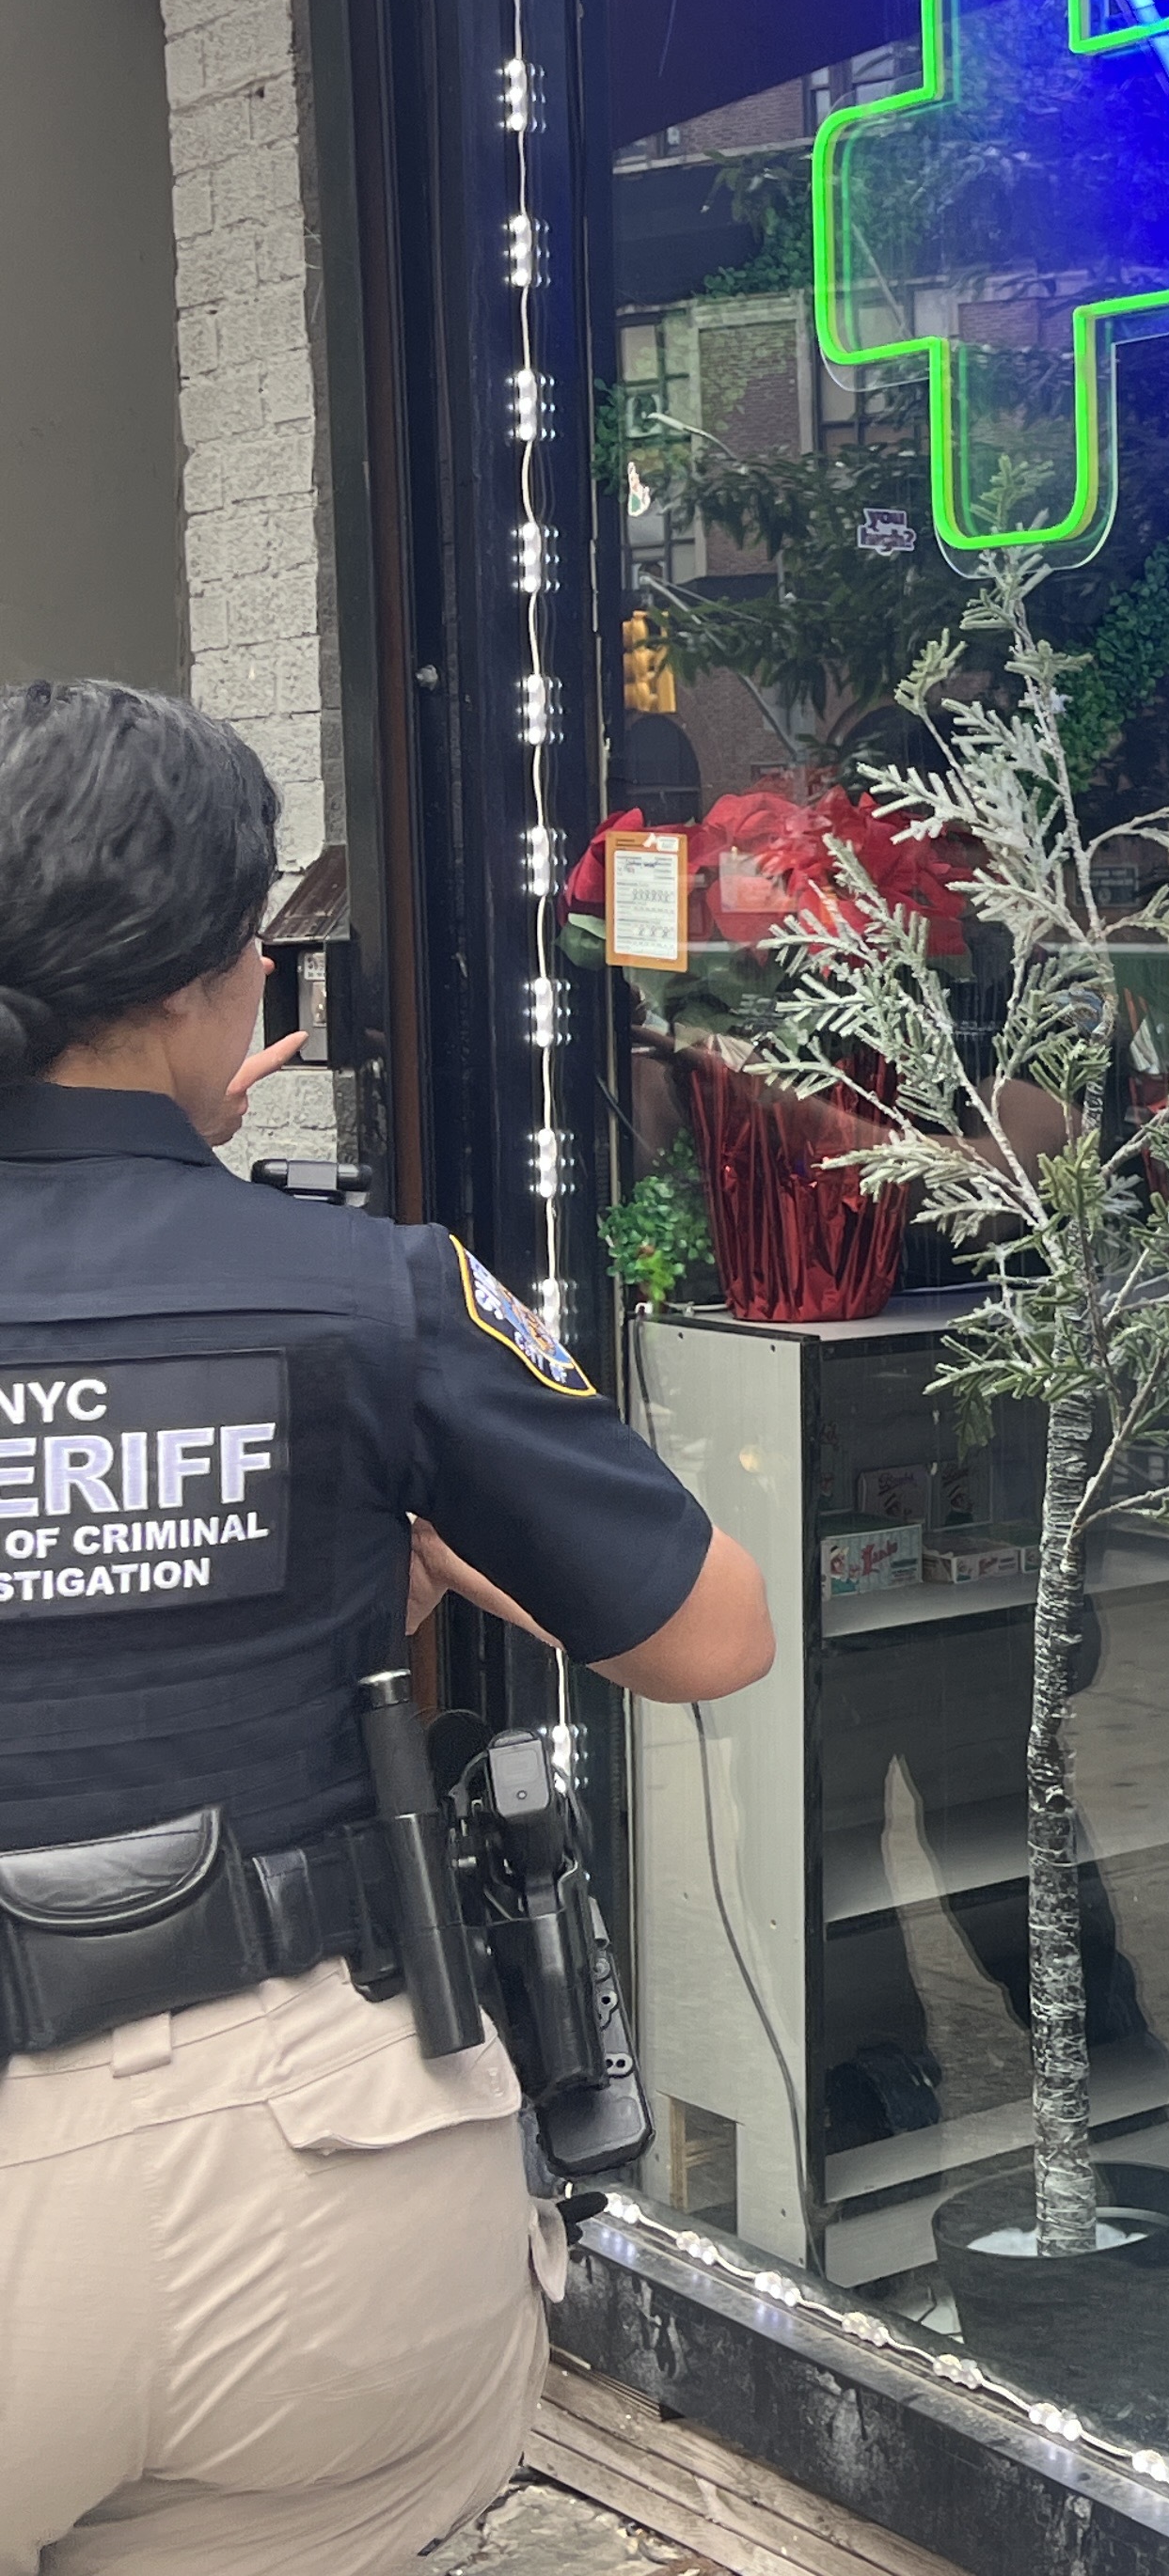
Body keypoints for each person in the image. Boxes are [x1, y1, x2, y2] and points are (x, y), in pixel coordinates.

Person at [0, 680, 775, 2574]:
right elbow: (711, 1634)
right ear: (217, 977)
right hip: (313, 2194)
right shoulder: (373, 1292)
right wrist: (384, 1507)